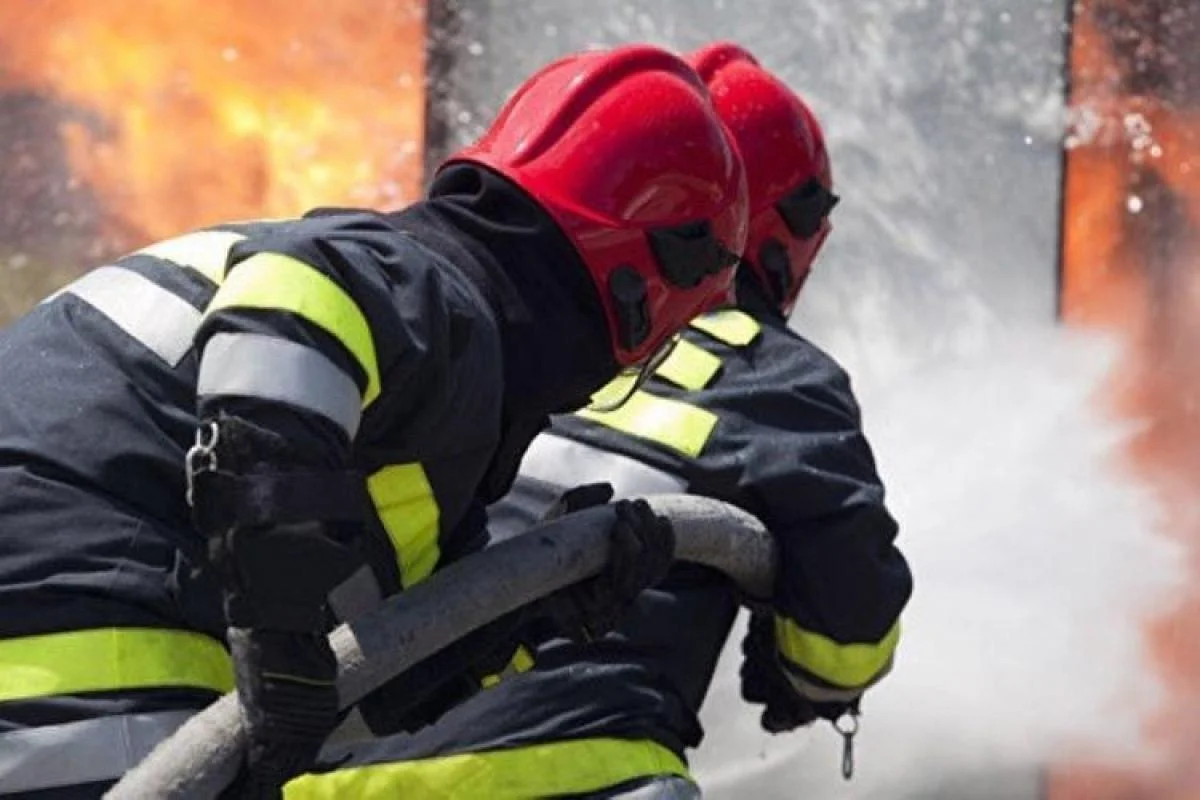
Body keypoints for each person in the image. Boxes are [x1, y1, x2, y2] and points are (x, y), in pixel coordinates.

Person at [0, 44, 749, 798]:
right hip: (77, 633)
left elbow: (359, 689)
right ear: (648, 287)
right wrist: (279, 631)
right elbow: (289, 314)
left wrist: (537, 614)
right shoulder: (429, 291)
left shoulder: (412, 395)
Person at [285, 42, 912, 800]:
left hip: (324, 776)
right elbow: (844, 644)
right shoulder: (775, 377)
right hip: (571, 777)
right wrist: (799, 668)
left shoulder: (477, 332)